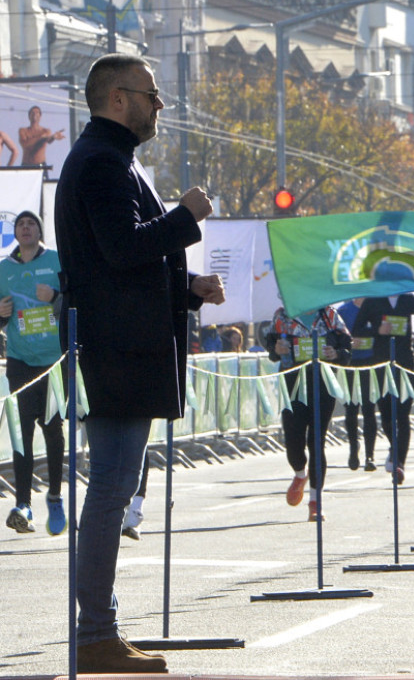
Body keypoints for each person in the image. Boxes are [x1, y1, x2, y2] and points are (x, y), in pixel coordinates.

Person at [54, 53, 225, 674]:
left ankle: (100, 629)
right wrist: (186, 218)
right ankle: (97, 633)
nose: (160, 106)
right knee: (110, 491)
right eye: (153, 95)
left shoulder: (112, 159)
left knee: (114, 489)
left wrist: (187, 289)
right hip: (117, 353)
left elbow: (116, 266)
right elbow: (123, 250)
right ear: (118, 98)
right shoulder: (102, 162)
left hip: (123, 346)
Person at [1, 210, 67, 535]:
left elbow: (75, 302)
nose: (25, 228)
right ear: (15, 233)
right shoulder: (3, 269)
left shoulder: (56, 261)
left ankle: (54, 497)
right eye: (20, 224)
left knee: (53, 430)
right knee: (21, 433)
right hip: (19, 361)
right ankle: (23, 505)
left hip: (53, 362)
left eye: (31, 224)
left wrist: (54, 297)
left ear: (40, 232)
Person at [267, 305, 351, 521]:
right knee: (293, 440)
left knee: (317, 441)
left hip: (322, 383)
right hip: (293, 382)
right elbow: (270, 345)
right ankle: (299, 474)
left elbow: (346, 347)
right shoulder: (283, 315)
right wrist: (277, 349)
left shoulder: (329, 315)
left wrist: (337, 353)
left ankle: (315, 501)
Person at [353, 294, 414, 484]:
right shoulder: (373, 301)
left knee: (403, 415)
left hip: (405, 364)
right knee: (387, 416)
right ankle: (394, 448)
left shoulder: (408, 299)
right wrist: (377, 330)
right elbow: (356, 329)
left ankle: (399, 463)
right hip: (381, 365)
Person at [339, 297, 378, 471]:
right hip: (350, 364)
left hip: (370, 363)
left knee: (369, 408)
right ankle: (354, 448)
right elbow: (336, 336)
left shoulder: (375, 307)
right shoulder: (344, 311)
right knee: (351, 409)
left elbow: (382, 333)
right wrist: (348, 343)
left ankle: (370, 455)